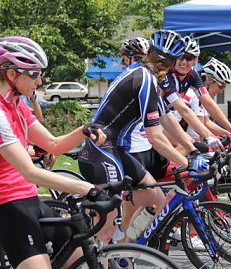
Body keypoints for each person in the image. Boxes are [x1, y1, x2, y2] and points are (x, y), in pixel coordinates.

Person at [78, 30, 209, 242]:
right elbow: (155, 136)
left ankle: (124, 251)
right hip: (102, 152)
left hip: (114, 149)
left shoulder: (144, 75)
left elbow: (166, 119)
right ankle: (99, 258)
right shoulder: (145, 80)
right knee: (105, 231)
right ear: (168, 64)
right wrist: (187, 163)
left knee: (155, 199)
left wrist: (193, 149)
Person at [0, 36, 107, 269]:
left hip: (29, 199)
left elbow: (53, 143)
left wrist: (84, 130)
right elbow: (30, 172)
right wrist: (87, 189)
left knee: (81, 256)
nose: (39, 81)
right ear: (11, 75)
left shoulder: (17, 105)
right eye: (34, 74)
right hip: (6, 204)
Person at [160, 36, 231, 150]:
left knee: (189, 145)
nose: (184, 62)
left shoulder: (192, 75)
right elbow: (183, 109)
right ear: (175, 58)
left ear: (194, 60)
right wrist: (209, 136)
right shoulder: (167, 76)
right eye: (181, 57)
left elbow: (209, 104)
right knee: (187, 145)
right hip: (152, 123)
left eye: (189, 58)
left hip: (166, 121)